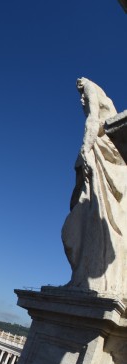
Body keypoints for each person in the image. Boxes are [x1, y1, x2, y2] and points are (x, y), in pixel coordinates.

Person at [62, 78, 126, 295]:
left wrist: (85, 149)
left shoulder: (88, 87)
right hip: (104, 158)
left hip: (99, 156)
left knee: (83, 223)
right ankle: (83, 276)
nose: (82, 100)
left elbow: (93, 121)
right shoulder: (107, 100)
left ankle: (87, 279)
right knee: (88, 223)